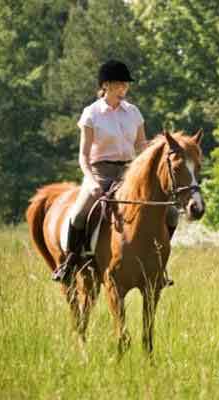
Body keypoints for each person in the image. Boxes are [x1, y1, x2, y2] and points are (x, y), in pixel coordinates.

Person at [52, 60, 178, 281]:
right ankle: (70, 263)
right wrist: (90, 181)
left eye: (126, 85)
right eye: (119, 85)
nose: (124, 89)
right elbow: (83, 155)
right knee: (80, 213)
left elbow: (141, 147)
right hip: (100, 173)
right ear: (106, 85)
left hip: (129, 174)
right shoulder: (91, 114)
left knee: (171, 213)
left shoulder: (133, 113)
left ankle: (159, 264)